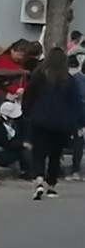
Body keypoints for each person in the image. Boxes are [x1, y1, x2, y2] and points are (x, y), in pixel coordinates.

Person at [23, 47, 85, 199]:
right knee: (55, 154)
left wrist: (27, 113)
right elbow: (76, 103)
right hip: (61, 123)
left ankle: (38, 179)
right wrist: (77, 122)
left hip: (40, 120)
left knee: (39, 152)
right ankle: (51, 185)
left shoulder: (39, 76)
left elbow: (28, 95)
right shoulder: (69, 80)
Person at [69, 54, 85, 180]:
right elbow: (76, 102)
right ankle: (75, 170)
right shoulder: (76, 80)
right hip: (78, 117)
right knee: (78, 142)